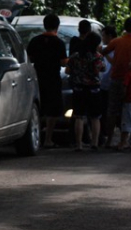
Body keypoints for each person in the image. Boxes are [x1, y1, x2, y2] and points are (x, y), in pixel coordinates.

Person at [100, 17, 131, 148]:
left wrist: (114, 61)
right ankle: (130, 141)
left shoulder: (117, 41)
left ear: (125, 27)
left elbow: (103, 52)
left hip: (116, 79)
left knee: (112, 111)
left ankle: (109, 139)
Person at [27, 14, 68, 148]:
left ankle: (36, 136)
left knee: (38, 108)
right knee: (53, 110)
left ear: (44, 25)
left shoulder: (35, 41)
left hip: (37, 79)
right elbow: (63, 63)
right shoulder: (59, 43)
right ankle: (48, 139)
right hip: (53, 80)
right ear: (57, 26)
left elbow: (29, 58)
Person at [66, 31, 105, 151]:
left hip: (78, 88)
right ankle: (94, 143)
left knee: (79, 116)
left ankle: (79, 144)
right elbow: (99, 70)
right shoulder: (97, 56)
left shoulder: (75, 56)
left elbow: (67, 71)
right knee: (95, 117)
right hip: (94, 89)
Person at [98, 25, 117, 146]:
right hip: (103, 84)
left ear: (110, 36)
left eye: (104, 36)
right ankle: (104, 134)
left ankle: (109, 134)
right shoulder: (103, 48)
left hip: (113, 83)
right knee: (103, 111)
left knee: (112, 111)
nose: (103, 38)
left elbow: (114, 63)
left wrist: (104, 54)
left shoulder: (117, 47)